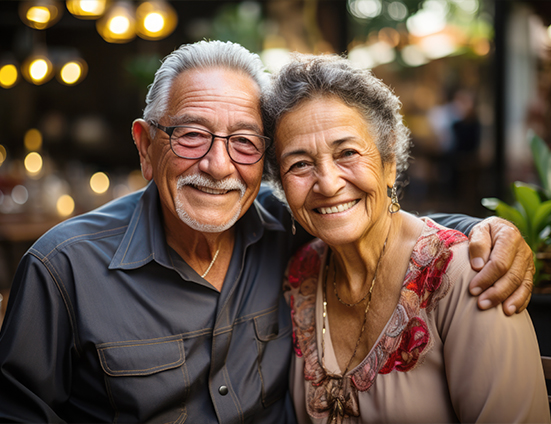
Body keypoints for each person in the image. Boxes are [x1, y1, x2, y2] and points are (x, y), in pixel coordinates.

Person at [0, 41, 535, 423]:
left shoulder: (294, 237)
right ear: (144, 146)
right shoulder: (63, 269)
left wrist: (486, 231)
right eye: (190, 135)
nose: (216, 165)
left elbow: (382, 226)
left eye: (244, 142)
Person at [262, 53, 550, 423]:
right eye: (299, 163)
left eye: (347, 152)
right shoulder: (299, 275)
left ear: (389, 162)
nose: (328, 183)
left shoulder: (472, 277)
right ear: (281, 185)